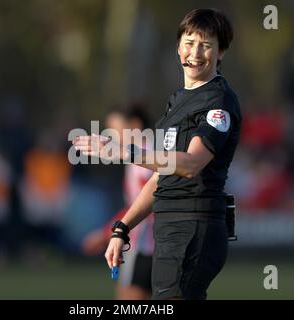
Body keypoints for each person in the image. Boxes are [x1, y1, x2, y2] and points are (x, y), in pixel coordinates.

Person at [73, 8, 241, 300]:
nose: (196, 52)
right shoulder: (177, 101)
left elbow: (190, 164)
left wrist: (124, 150)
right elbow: (162, 176)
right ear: (178, 48)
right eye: (189, 42)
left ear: (221, 52)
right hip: (169, 230)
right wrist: (122, 229)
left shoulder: (219, 100)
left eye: (206, 44)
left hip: (194, 226)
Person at [81, 106, 154, 300]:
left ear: (135, 126)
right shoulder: (149, 154)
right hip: (162, 245)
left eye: (116, 129)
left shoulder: (144, 160)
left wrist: (108, 232)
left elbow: (144, 205)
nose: (112, 136)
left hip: (144, 247)